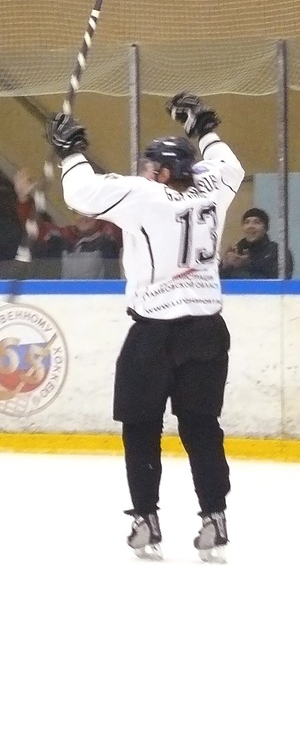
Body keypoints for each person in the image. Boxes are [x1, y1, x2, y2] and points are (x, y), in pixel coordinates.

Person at [45, 92, 244, 563]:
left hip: (155, 332)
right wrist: (203, 128)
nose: (143, 169)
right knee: (202, 427)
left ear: (165, 173)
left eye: (150, 164)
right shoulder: (213, 186)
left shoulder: (145, 196)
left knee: (140, 426)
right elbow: (229, 165)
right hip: (207, 330)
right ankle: (215, 517)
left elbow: (80, 195)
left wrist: (70, 152)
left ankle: (145, 520)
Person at [14, 168, 122, 278]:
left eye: (89, 212)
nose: (82, 217)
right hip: (65, 289)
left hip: (105, 289)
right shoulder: (63, 235)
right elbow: (34, 229)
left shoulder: (110, 231)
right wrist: (23, 199)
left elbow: (129, 219)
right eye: (78, 212)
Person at [220, 207, 293, 279]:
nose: (250, 226)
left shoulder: (277, 251)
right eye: (246, 222)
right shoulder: (236, 251)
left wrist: (247, 264)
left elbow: (281, 279)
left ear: (265, 228)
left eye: (256, 222)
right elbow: (217, 280)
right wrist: (225, 266)